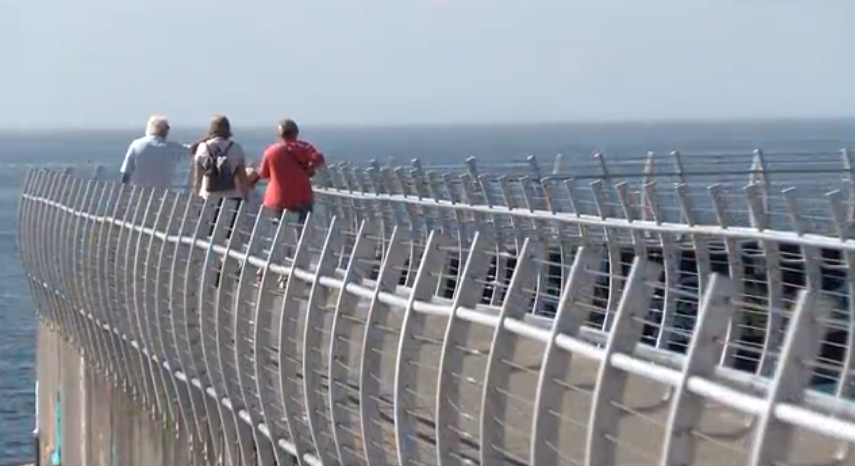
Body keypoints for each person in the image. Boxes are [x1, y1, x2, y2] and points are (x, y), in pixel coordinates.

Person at [256, 118, 326, 224]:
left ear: (280, 135)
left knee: (278, 230)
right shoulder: (304, 147)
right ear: (296, 133)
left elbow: (264, 174)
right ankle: (301, 238)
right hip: (301, 196)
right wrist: (309, 168)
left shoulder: (271, 151)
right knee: (303, 228)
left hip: (277, 198)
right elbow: (319, 158)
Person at [193, 115, 250, 237]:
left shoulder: (203, 147)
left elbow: (197, 179)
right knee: (228, 236)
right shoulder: (236, 148)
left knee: (207, 234)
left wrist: (196, 197)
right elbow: (242, 178)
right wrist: (246, 197)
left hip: (208, 197)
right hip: (233, 197)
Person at [120, 116, 193, 188]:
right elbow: (193, 149)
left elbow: (126, 173)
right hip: (164, 195)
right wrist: (204, 139)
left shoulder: (136, 145)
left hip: (138, 194)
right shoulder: (172, 147)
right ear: (163, 130)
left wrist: (123, 191)